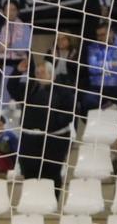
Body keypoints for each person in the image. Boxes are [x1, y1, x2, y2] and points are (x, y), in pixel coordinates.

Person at [17, 59, 75, 192]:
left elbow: (69, 113)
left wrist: (52, 123)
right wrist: (18, 71)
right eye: (37, 73)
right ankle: (32, 201)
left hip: (54, 141)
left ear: (51, 74)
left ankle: (53, 201)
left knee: (51, 174)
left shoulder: (63, 91)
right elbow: (12, 88)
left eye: (42, 73)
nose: (39, 75)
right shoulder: (30, 88)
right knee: (29, 172)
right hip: (30, 140)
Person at [82, 21, 117, 120]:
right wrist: (111, 64)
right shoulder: (93, 47)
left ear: (111, 33)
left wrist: (101, 66)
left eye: (103, 34)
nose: (100, 38)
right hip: (98, 85)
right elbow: (92, 68)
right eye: (98, 35)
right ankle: (93, 126)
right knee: (87, 100)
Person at [0, 0, 31, 107]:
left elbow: (24, 48)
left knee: (18, 95)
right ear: (4, 11)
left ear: (18, 11)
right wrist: (12, 46)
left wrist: (8, 45)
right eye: (7, 9)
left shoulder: (25, 27)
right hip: (2, 65)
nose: (11, 12)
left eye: (13, 9)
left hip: (20, 65)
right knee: (3, 96)